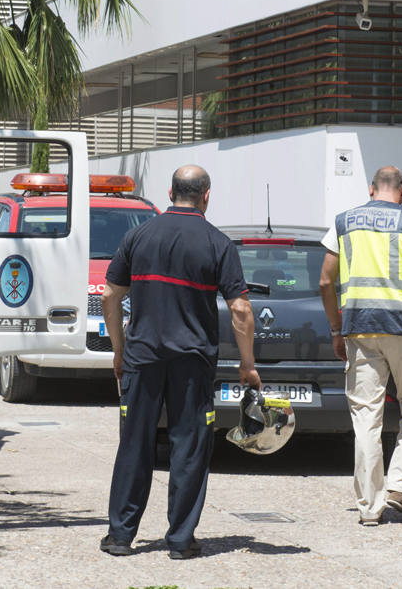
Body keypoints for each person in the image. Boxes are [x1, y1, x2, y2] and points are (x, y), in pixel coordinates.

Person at [101, 165, 258, 560]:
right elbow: (240, 308)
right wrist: (247, 364)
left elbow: (109, 297)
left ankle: (120, 537)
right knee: (189, 447)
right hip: (192, 363)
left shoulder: (138, 235)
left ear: (171, 192)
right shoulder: (217, 243)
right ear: (207, 195)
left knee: (134, 444)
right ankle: (180, 540)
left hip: (142, 359)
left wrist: (120, 351)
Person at [319, 165, 402, 525]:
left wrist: (336, 329)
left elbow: (324, 281)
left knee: (366, 416)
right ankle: (400, 486)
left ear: (370, 188)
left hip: (360, 331)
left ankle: (368, 508)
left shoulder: (344, 221)